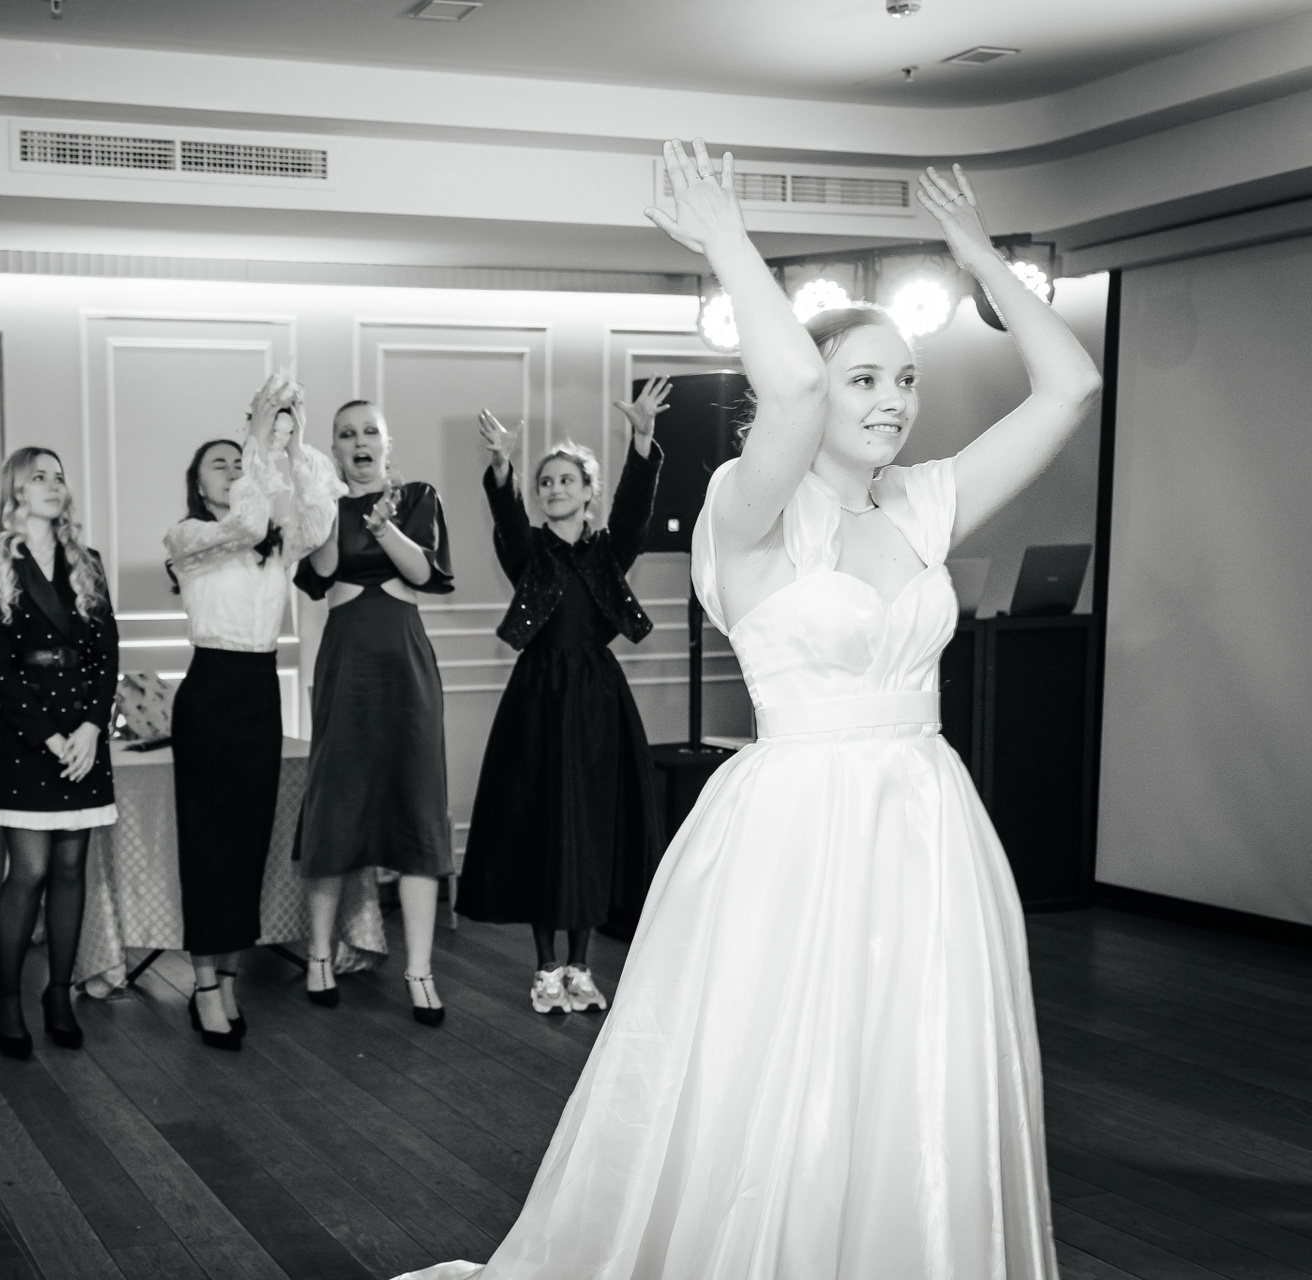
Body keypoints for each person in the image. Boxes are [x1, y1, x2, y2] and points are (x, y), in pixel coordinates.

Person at [395, 144, 1099, 1279]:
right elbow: (794, 392)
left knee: (912, 1074)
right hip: (799, 829)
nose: (893, 401)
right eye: (865, 379)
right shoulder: (746, 508)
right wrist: (729, 241)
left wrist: (977, 255)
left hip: (927, 826)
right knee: (785, 1076)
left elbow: (1070, 387)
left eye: (906, 380)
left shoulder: (924, 503)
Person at [457, 387, 667, 1017]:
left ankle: (581, 967)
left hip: (598, 702)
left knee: (589, 829)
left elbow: (634, 511)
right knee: (543, 827)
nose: (553, 488)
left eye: (565, 480)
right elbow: (506, 519)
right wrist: (502, 467)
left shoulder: (608, 553)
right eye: (544, 481)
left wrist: (642, 441)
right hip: (538, 702)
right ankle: (545, 969)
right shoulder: (529, 552)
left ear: (587, 492)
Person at [164, 373, 344, 1050]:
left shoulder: (278, 540)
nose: (236, 467)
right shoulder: (188, 537)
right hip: (210, 692)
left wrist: (291, 446)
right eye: (222, 463)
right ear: (198, 483)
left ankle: (230, 975)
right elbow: (243, 522)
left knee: (248, 843)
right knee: (206, 843)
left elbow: (319, 525)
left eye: (240, 461)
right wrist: (257, 437)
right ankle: (203, 983)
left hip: (260, 693)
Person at [294, 400, 456, 1025]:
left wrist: (385, 525)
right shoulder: (324, 506)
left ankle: (420, 971)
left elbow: (424, 571)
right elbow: (323, 571)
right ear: (335, 449)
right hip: (345, 664)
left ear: (387, 444)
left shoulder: (417, 496)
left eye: (369, 432)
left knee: (418, 807)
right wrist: (327, 502)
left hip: (406, 665)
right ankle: (319, 957)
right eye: (346, 434)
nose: (359, 441)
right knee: (334, 804)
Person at [0, 447, 119, 1058]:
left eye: (59, 477)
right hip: (23, 735)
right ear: (16, 491)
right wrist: (52, 737)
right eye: (40, 477)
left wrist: (91, 728)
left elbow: (107, 654)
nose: (55, 486)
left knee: (70, 869)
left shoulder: (88, 562)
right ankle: (7, 996)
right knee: (28, 871)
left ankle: (59, 993)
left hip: (82, 735)